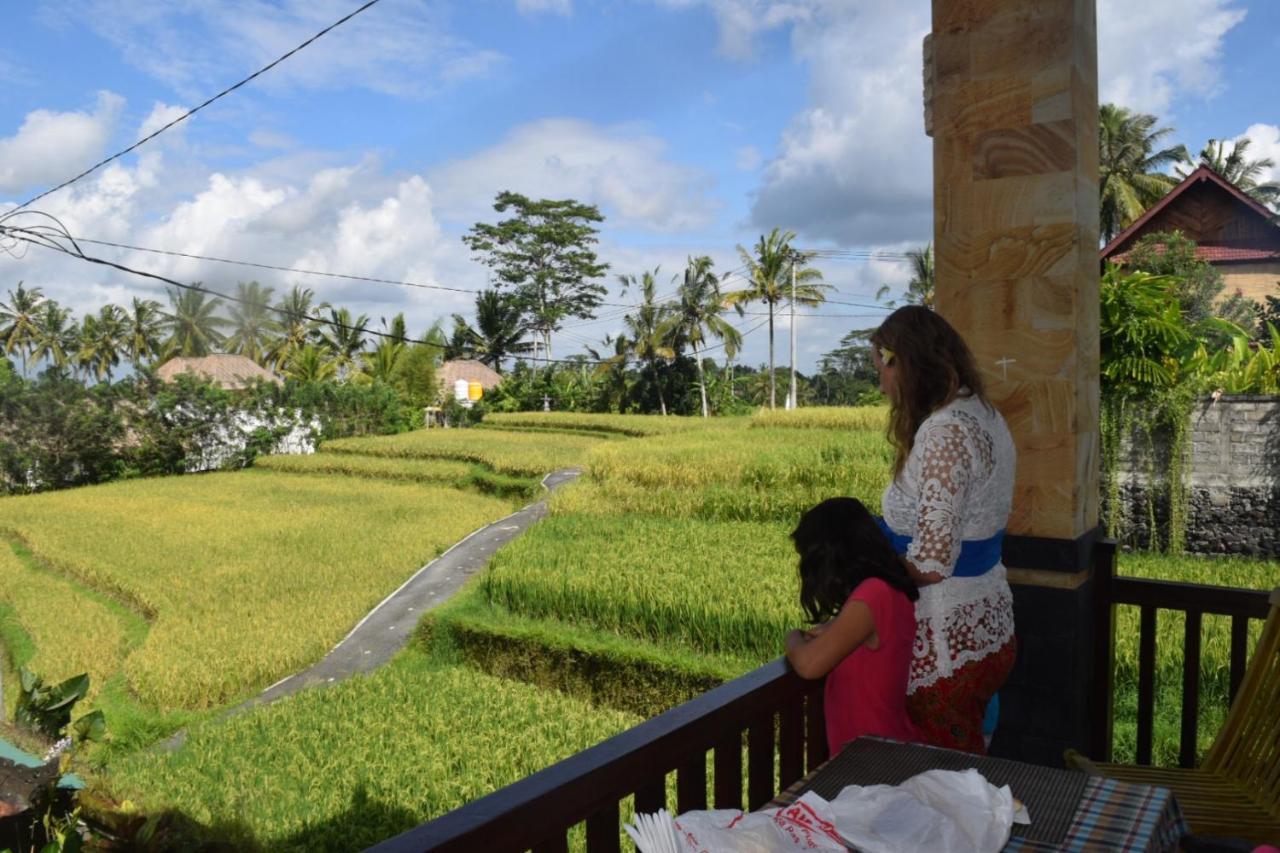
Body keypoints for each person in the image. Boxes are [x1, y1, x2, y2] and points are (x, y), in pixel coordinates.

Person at [868, 305, 1017, 754]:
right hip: (988, 619)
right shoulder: (984, 414)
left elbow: (931, 562)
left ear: (906, 365)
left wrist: (870, 566)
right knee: (971, 762)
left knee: (947, 785)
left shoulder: (944, 431)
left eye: (883, 372)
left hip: (946, 636)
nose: (881, 386)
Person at [785, 496, 924, 755]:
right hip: (882, 748)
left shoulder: (872, 594)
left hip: (871, 758)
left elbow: (808, 665)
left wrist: (792, 638)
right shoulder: (890, 587)